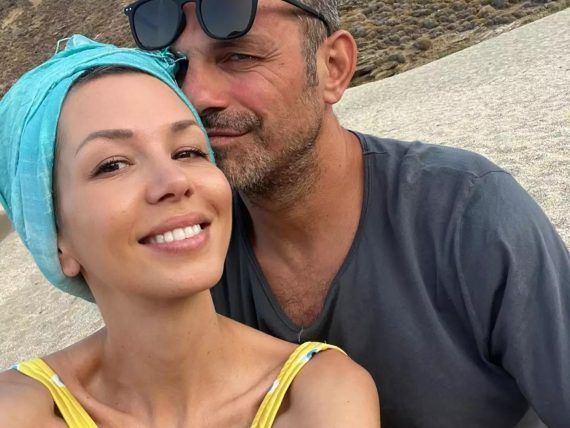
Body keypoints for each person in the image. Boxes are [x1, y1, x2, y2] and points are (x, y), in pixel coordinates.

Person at [123, 0, 570, 426]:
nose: (196, 95)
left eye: (240, 57)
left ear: (332, 67)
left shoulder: (467, 215)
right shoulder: (186, 250)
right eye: (177, 67)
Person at [0, 35, 380, 427]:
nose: (174, 181)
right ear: (56, 240)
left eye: (188, 152)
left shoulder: (317, 395)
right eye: (113, 165)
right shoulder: (19, 410)